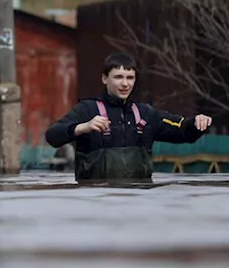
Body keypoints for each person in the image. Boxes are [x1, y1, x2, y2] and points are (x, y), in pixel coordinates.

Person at [45, 51, 212, 182]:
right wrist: (83, 127)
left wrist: (197, 123)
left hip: (138, 200)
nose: (125, 84)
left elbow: (183, 130)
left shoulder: (146, 114)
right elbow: (52, 135)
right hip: (96, 202)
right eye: (118, 77)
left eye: (130, 78)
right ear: (104, 78)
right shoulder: (87, 110)